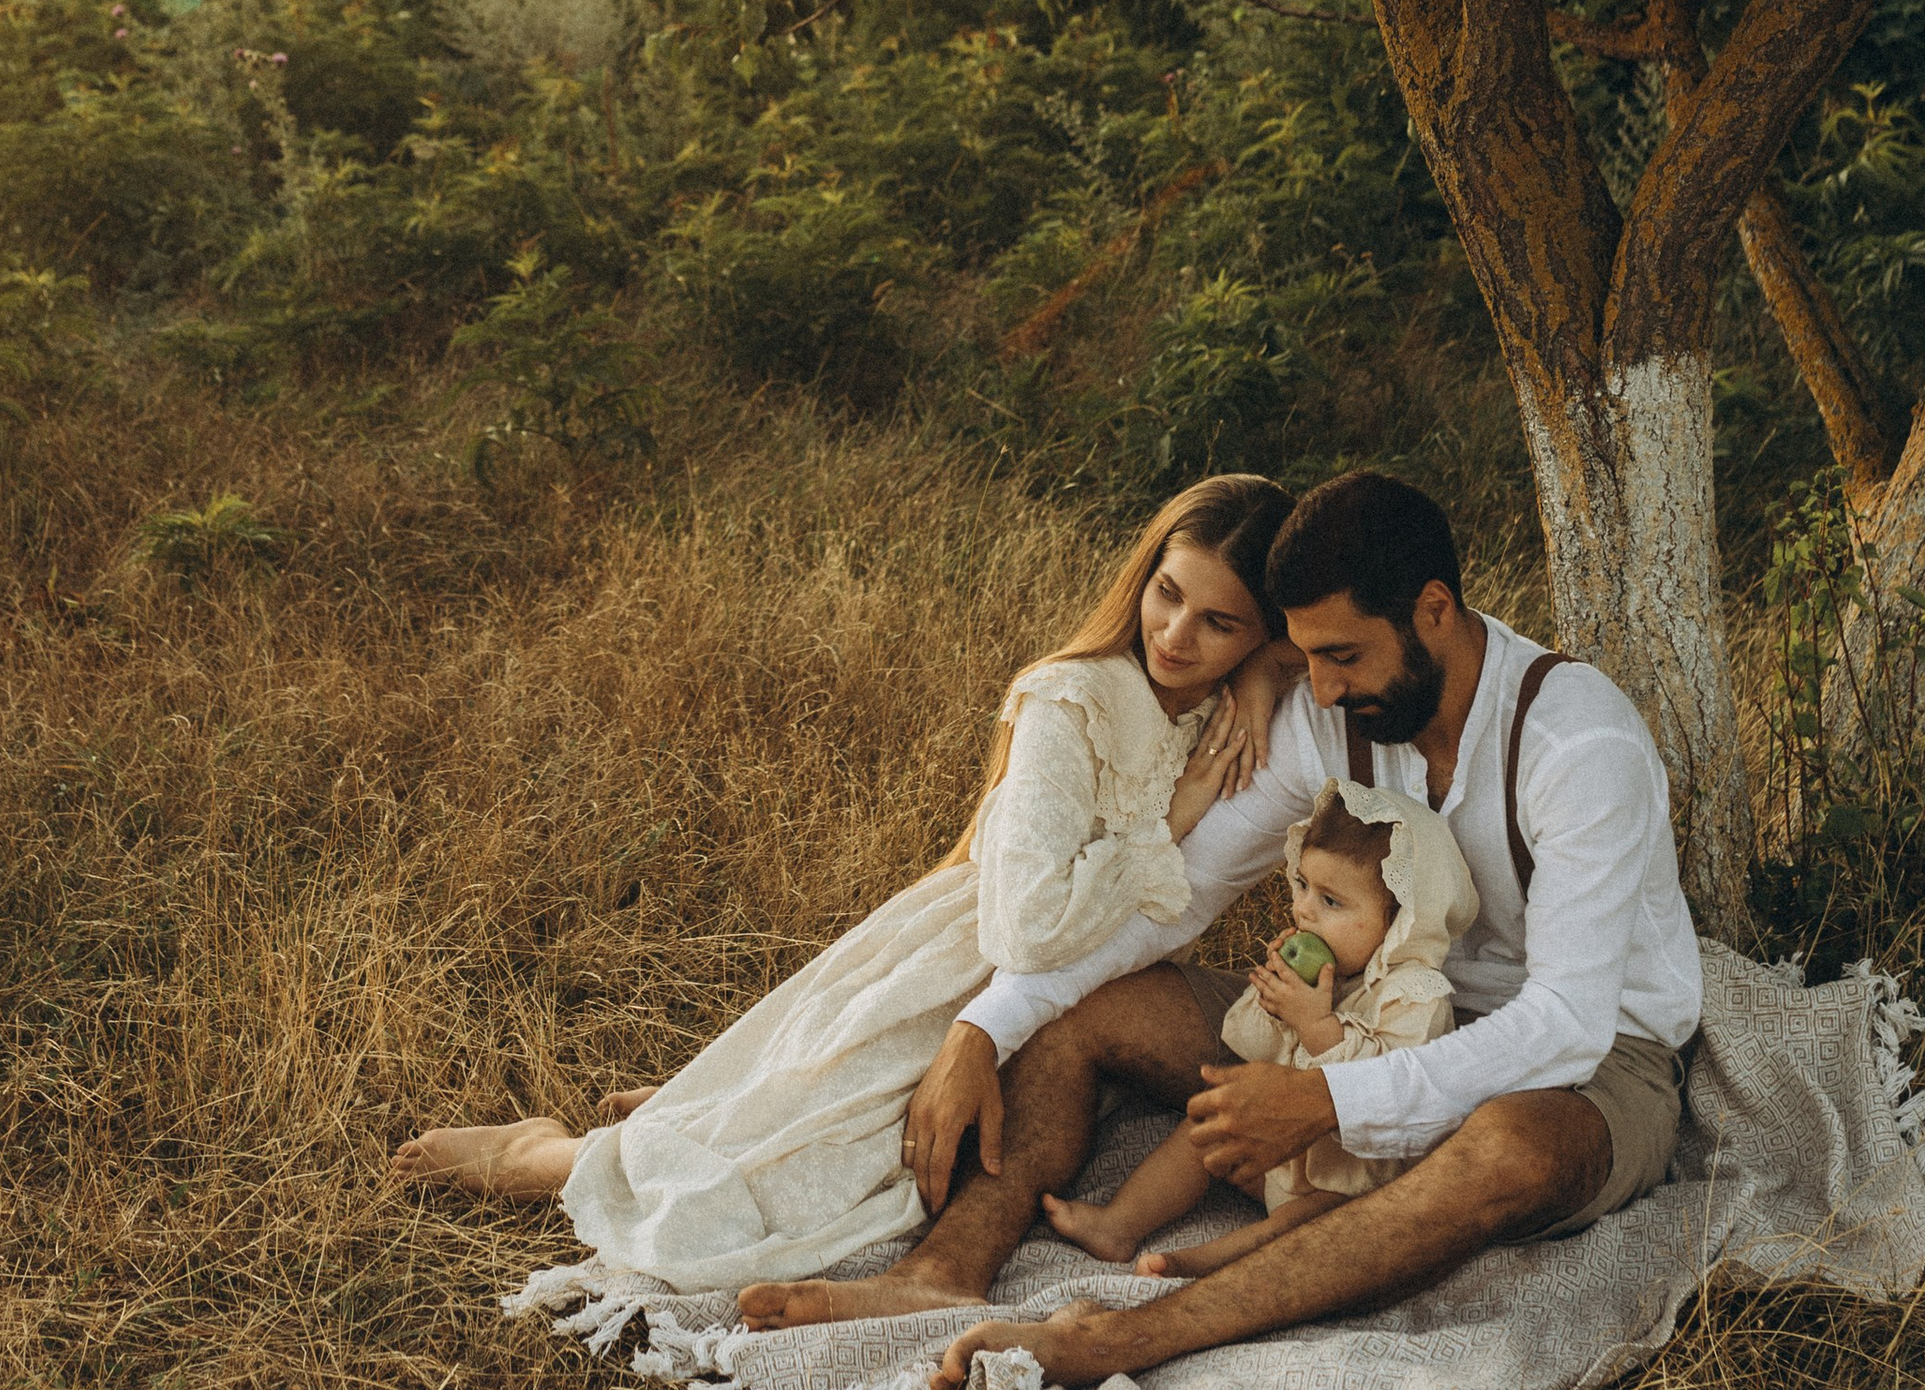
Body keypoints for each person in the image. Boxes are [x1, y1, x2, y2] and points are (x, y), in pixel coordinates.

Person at [721, 469, 1701, 1390]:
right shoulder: (1331, 714)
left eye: (1342, 656)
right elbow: (1179, 901)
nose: (1319, 690)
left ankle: (1122, 1338)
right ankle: (940, 1272)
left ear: (1433, 611)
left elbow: (1567, 1021)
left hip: (1584, 1064)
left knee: (1512, 1152)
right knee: (1097, 1005)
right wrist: (986, 1027)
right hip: (1354, 1005)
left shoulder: (1577, 743)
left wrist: (1328, 1099)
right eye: (1302, 657)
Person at [391, 474, 1295, 1291]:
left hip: (1071, 997)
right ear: (1142, 577)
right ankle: (545, 1155)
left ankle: (701, 1105)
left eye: (1220, 624)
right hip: (960, 968)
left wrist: (1262, 673)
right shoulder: (1073, 700)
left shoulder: (1230, 708)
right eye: (1167, 594)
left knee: (851, 1151)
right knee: (779, 1196)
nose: (1176, 636)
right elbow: (1024, 931)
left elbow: (1322, 641)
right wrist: (1173, 817)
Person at [1028, 779, 1473, 1278]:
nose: (1303, 908)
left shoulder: (1415, 995)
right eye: (1303, 885)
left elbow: (1385, 1098)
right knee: (1208, 1128)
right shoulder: (1324, 973)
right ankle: (1119, 1224)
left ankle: (1199, 1263)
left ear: (1399, 922)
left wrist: (1316, 1024)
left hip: (1356, 1181)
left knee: (1308, 1222)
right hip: (1281, 1159)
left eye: (1331, 901)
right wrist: (1272, 1003)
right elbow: (1251, 1046)